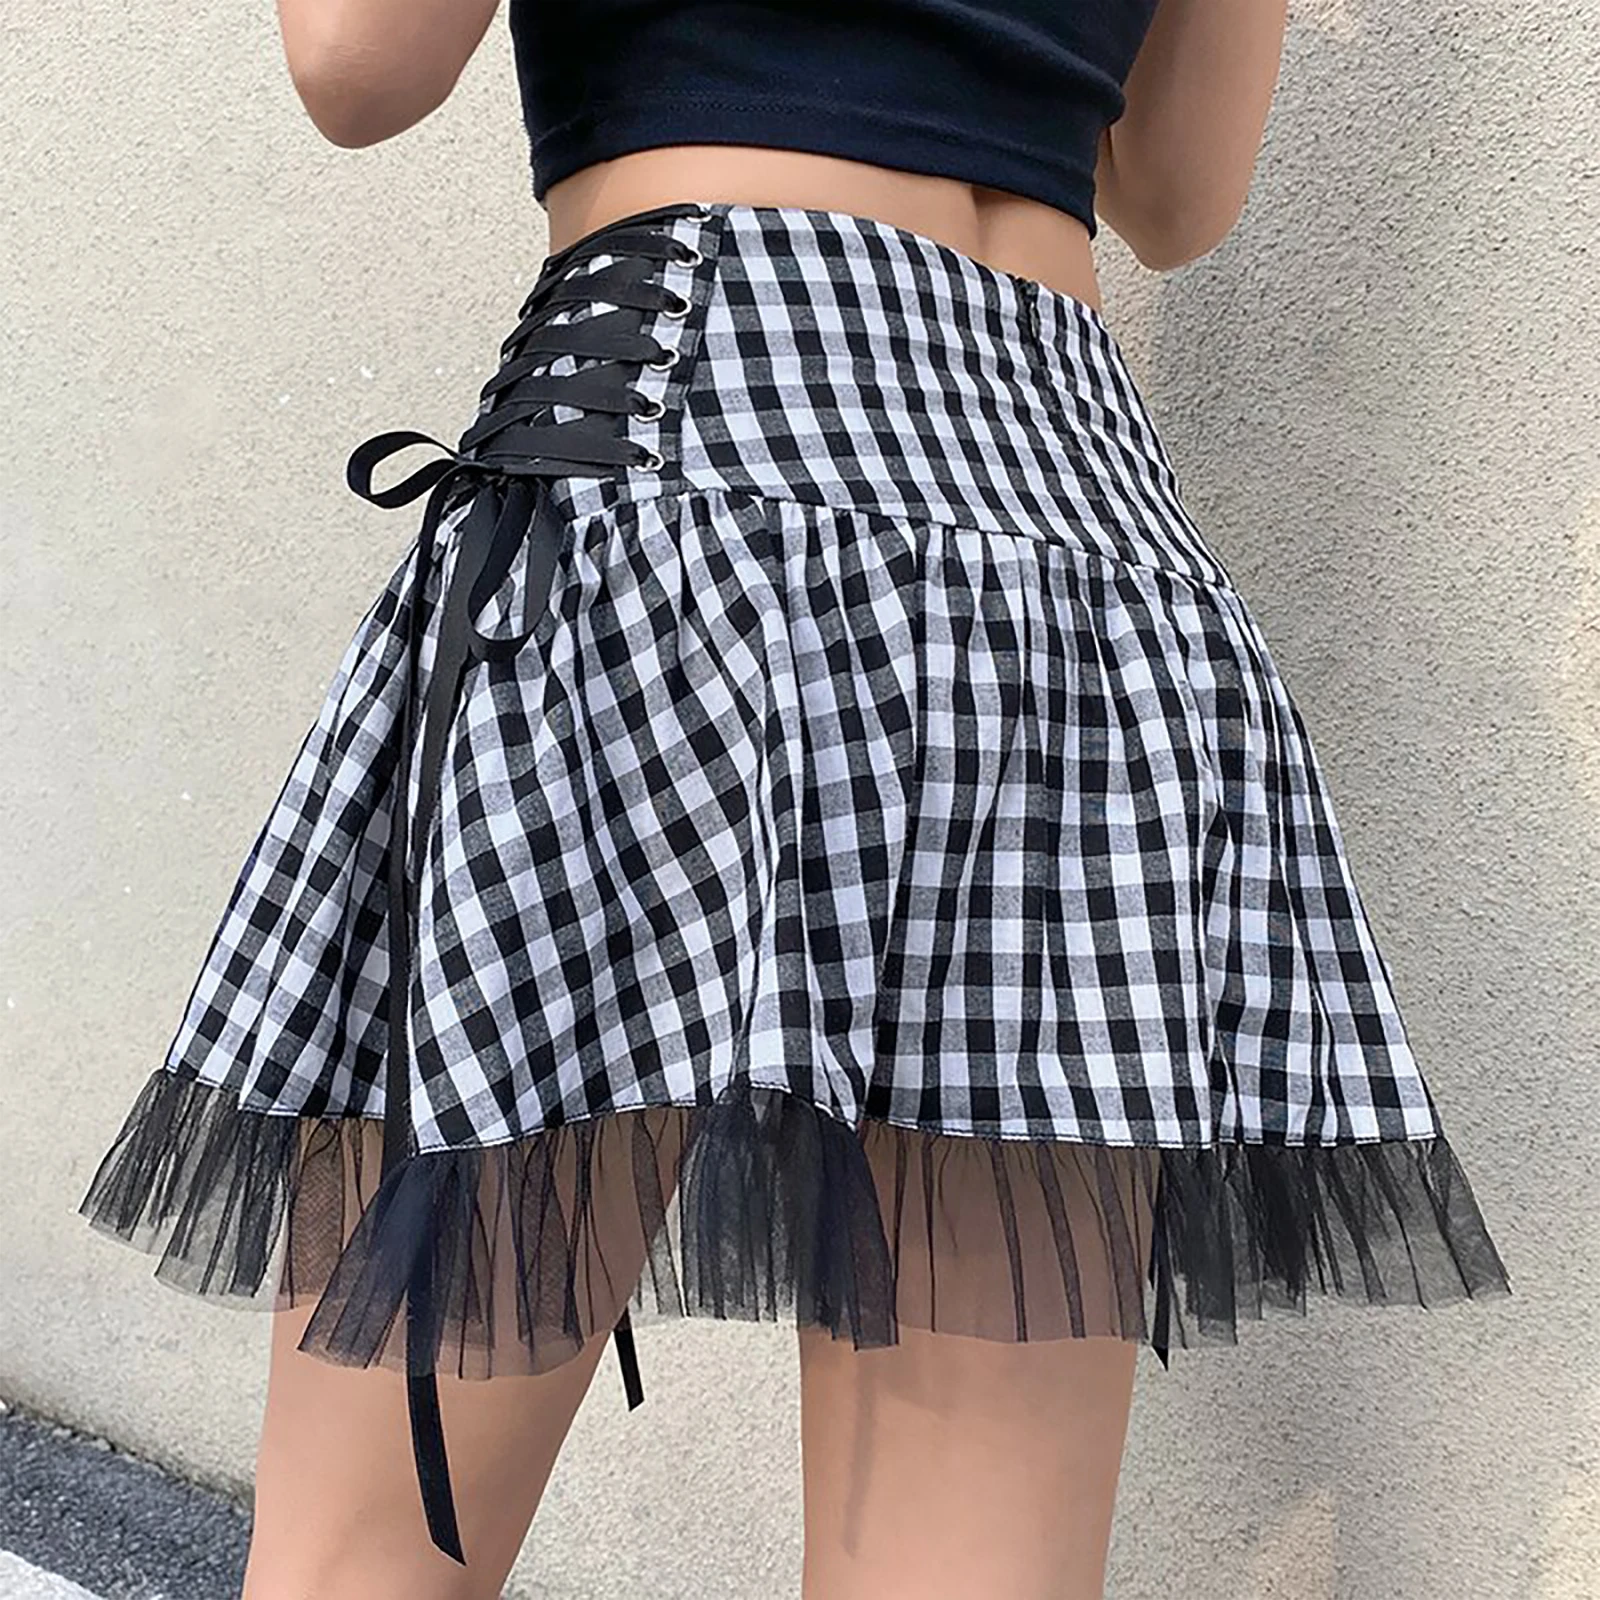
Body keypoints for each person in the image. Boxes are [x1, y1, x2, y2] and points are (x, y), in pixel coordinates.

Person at [78, 1, 1513, 1596]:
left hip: (691, 465)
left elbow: (361, 67)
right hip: (1070, 538)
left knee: (367, 1560)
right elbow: (1174, 194)